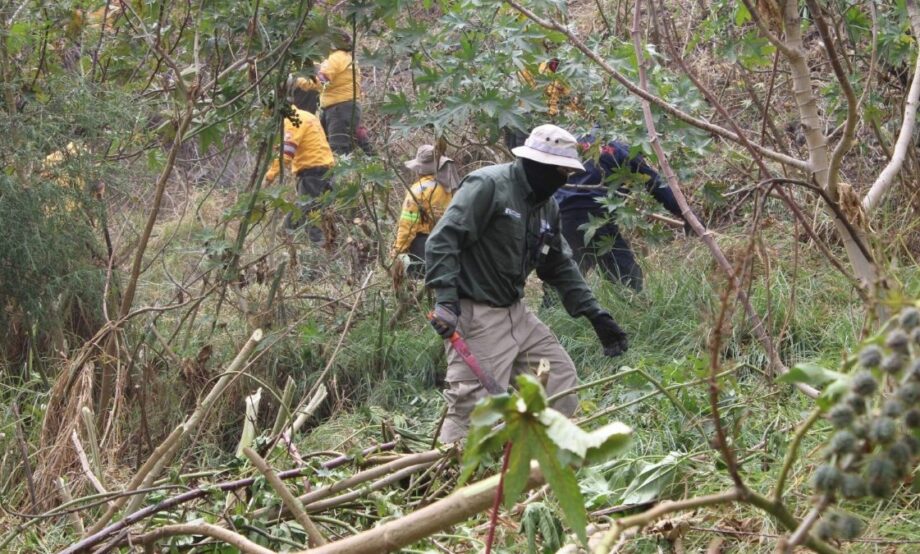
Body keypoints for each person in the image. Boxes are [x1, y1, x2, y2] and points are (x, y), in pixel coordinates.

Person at [425, 124, 629, 444]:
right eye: (561, 171)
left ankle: (550, 463)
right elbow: (442, 241)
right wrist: (446, 300)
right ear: (539, 165)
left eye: (568, 172)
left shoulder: (546, 206)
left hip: (516, 314)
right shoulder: (489, 186)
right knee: (471, 409)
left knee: (560, 382)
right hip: (476, 315)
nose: (565, 179)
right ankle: (445, 481)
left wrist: (594, 314)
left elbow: (559, 264)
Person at [553, 135, 687, 291]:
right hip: (594, 216)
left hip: (558, 216)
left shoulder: (575, 142)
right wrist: (686, 214)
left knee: (562, 281)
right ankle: (636, 308)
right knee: (628, 279)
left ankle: (549, 312)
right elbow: (656, 184)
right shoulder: (621, 148)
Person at [264, 86, 334, 243]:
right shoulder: (307, 115)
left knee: (311, 217)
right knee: (306, 209)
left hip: (312, 173)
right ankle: (284, 236)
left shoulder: (292, 120)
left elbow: (287, 153)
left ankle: (320, 253)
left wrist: (269, 176)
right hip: (325, 170)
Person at [297, 30, 371, 155]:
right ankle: (372, 159)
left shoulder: (337, 58)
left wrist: (297, 81)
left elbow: (322, 80)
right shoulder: (343, 57)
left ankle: (344, 172)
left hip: (339, 108)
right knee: (330, 145)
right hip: (339, 107)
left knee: (338, 150)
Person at [391, 145, 458, 278]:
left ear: (419, 169)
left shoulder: (418, 190)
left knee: (421, 281)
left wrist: (398, 250)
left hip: (423, 246)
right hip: (448, 243)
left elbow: (408, 224)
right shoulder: (449, 186)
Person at [505, 58, 581, 150]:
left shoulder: (562, 72)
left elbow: (569, 98)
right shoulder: (533, 64)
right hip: (524, 111)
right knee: (516, 145)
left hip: (543, 115)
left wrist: (580, 110)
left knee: (526, 146)